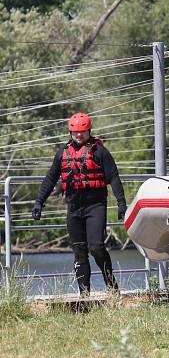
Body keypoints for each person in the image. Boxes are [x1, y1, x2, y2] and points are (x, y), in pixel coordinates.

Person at [32, 112, 127, 295]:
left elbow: (114, 178)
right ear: (70, 132)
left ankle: (112, 286)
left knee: (97, 247)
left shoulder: (100, 152)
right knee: (79, 251)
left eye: (82, 132)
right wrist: (39, 203)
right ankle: (84, 295)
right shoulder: (62, 153)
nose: (79, 135)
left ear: (89, 131)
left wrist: (121, 204)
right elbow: (50, 179)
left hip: (95, 206)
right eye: (75, 132)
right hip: (74, 207)